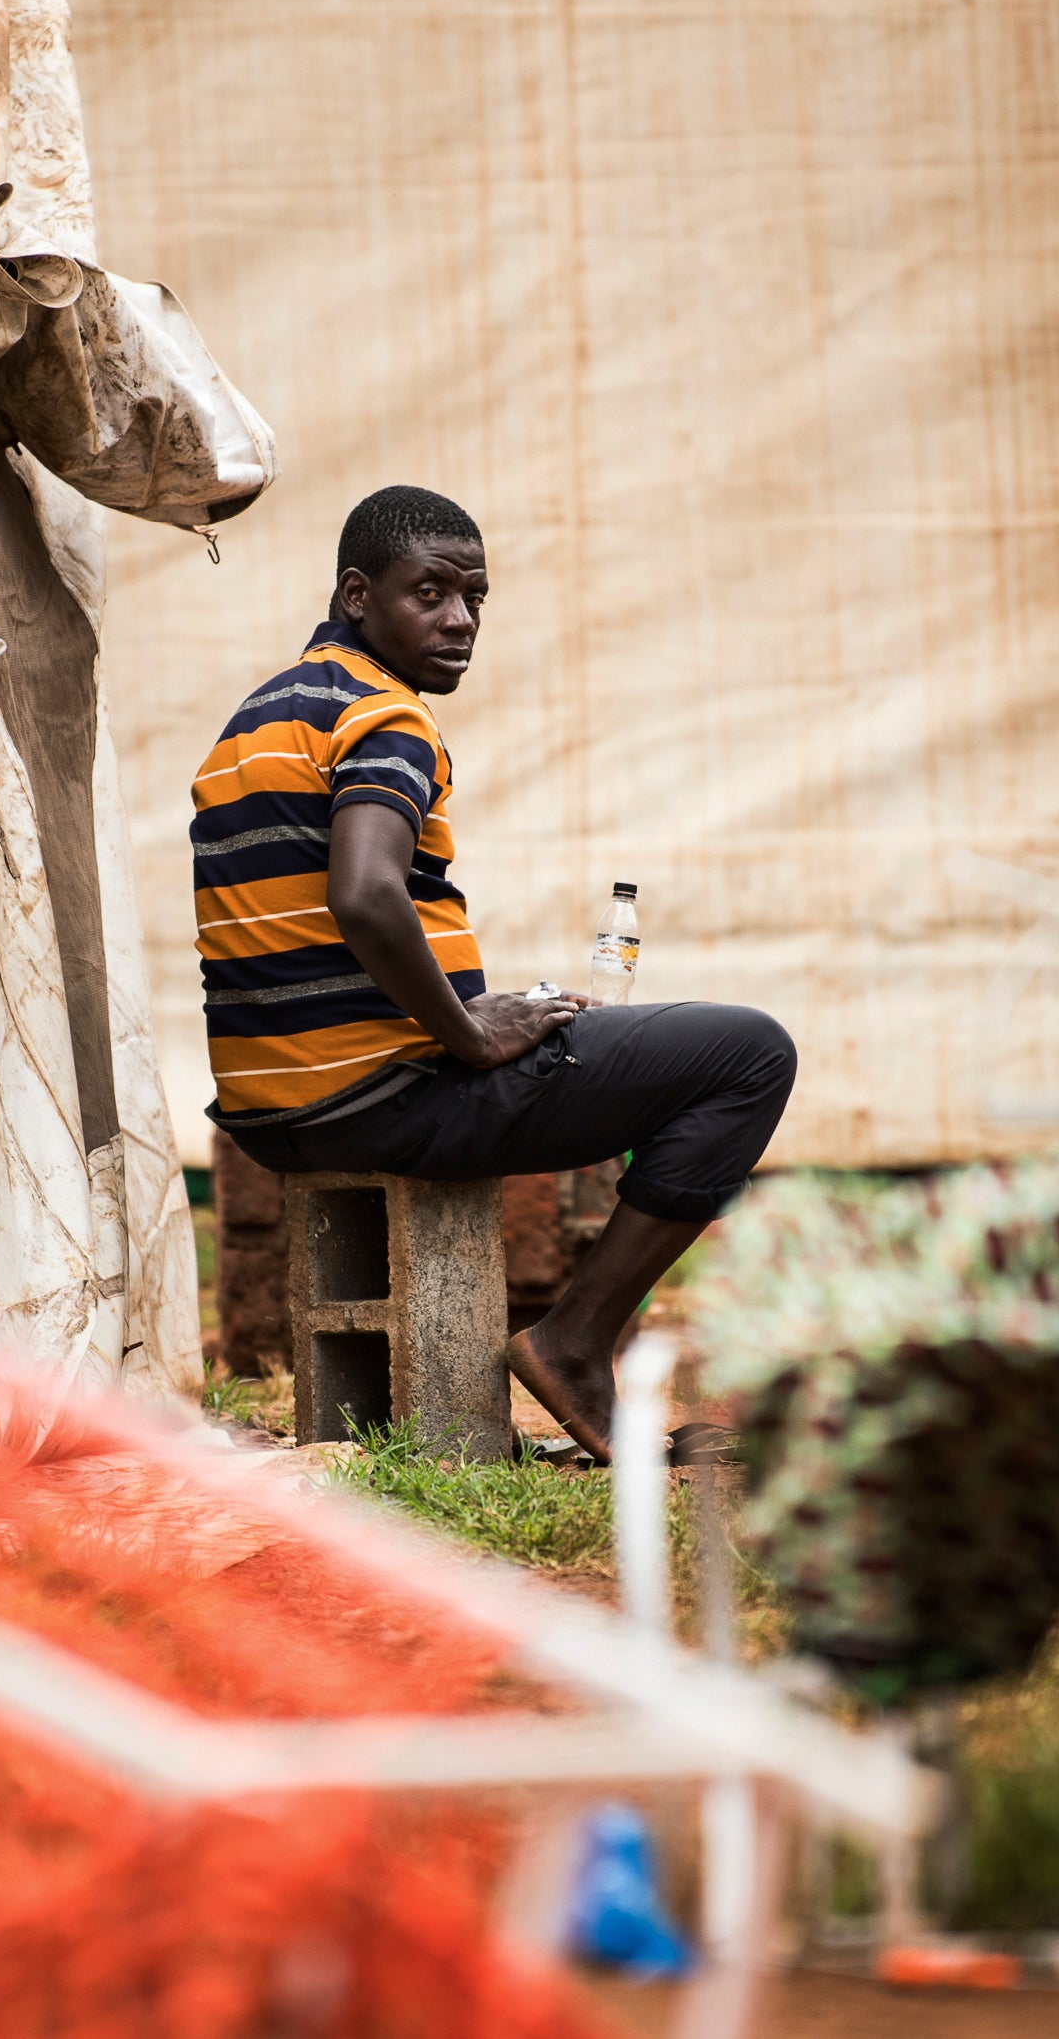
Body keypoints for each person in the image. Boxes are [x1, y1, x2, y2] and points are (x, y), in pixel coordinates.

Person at [193, 485, 796, 1460]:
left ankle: (570, 1335)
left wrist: (478, 1011)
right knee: (749, 1055)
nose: (460, 620)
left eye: (473, 597)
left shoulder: (255, 722)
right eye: (428, 592)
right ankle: (574, 1343)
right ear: (357, 594)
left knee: (576, 1022)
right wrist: (470, 1032)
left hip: (271, 1109)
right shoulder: (384, 717)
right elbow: (365, 894)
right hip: (386, 1096)